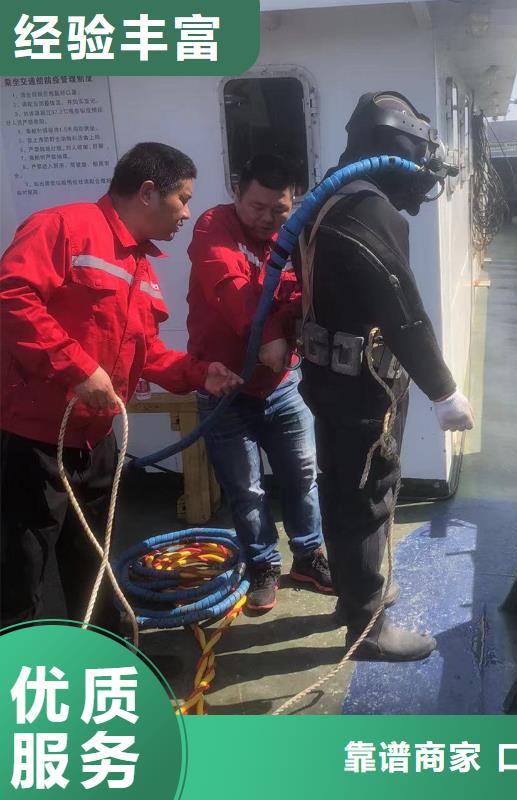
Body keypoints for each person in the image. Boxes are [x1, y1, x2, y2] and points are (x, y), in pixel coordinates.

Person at [0, 142, 242, 631]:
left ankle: (106, 655)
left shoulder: (141, 267)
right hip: (33, 442)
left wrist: (200, 373)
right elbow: (12, 296)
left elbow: (145, 352)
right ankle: (18, 668)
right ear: (148, 192)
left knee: (92, 560)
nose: (187, 213)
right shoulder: (63, 227)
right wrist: (76, 369)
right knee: (20, 571)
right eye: (183, 199)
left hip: (96, 441)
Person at [294, 92, 475, 661]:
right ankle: (367, 628)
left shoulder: (327, 197)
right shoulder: (370, 210)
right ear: (398, 151)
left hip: (328, 378)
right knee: (367, 496)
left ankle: (356, 593)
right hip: (362, 387)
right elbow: (403, 312)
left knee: (342, 490)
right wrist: (444, 391)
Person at [186, 155, 332, 614]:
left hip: (283, 384)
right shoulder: (214, 227)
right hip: (224, 388)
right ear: (236, 192)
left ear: (294, 203)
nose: (268, 218)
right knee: (246, 488)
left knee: (303, 474)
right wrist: (268, 335)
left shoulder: (297, 236)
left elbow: (306, 293)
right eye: (257, 206)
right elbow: (231, 287)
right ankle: (263, 564)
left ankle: (308, 556)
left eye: (280, 209)